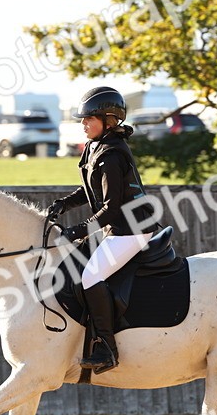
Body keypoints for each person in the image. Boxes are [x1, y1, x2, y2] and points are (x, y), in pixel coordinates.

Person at [46, 86, 162, 374]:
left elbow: (110, 207)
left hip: (132, 230)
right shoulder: (98, 147)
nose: (83, 124)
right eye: (83, 120)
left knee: (90, 276)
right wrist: (65, 203)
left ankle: (107, 349)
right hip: (117, 228)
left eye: (89, 119)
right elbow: (90, 189)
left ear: (109, 120)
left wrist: (78, 231)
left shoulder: (112, 154)